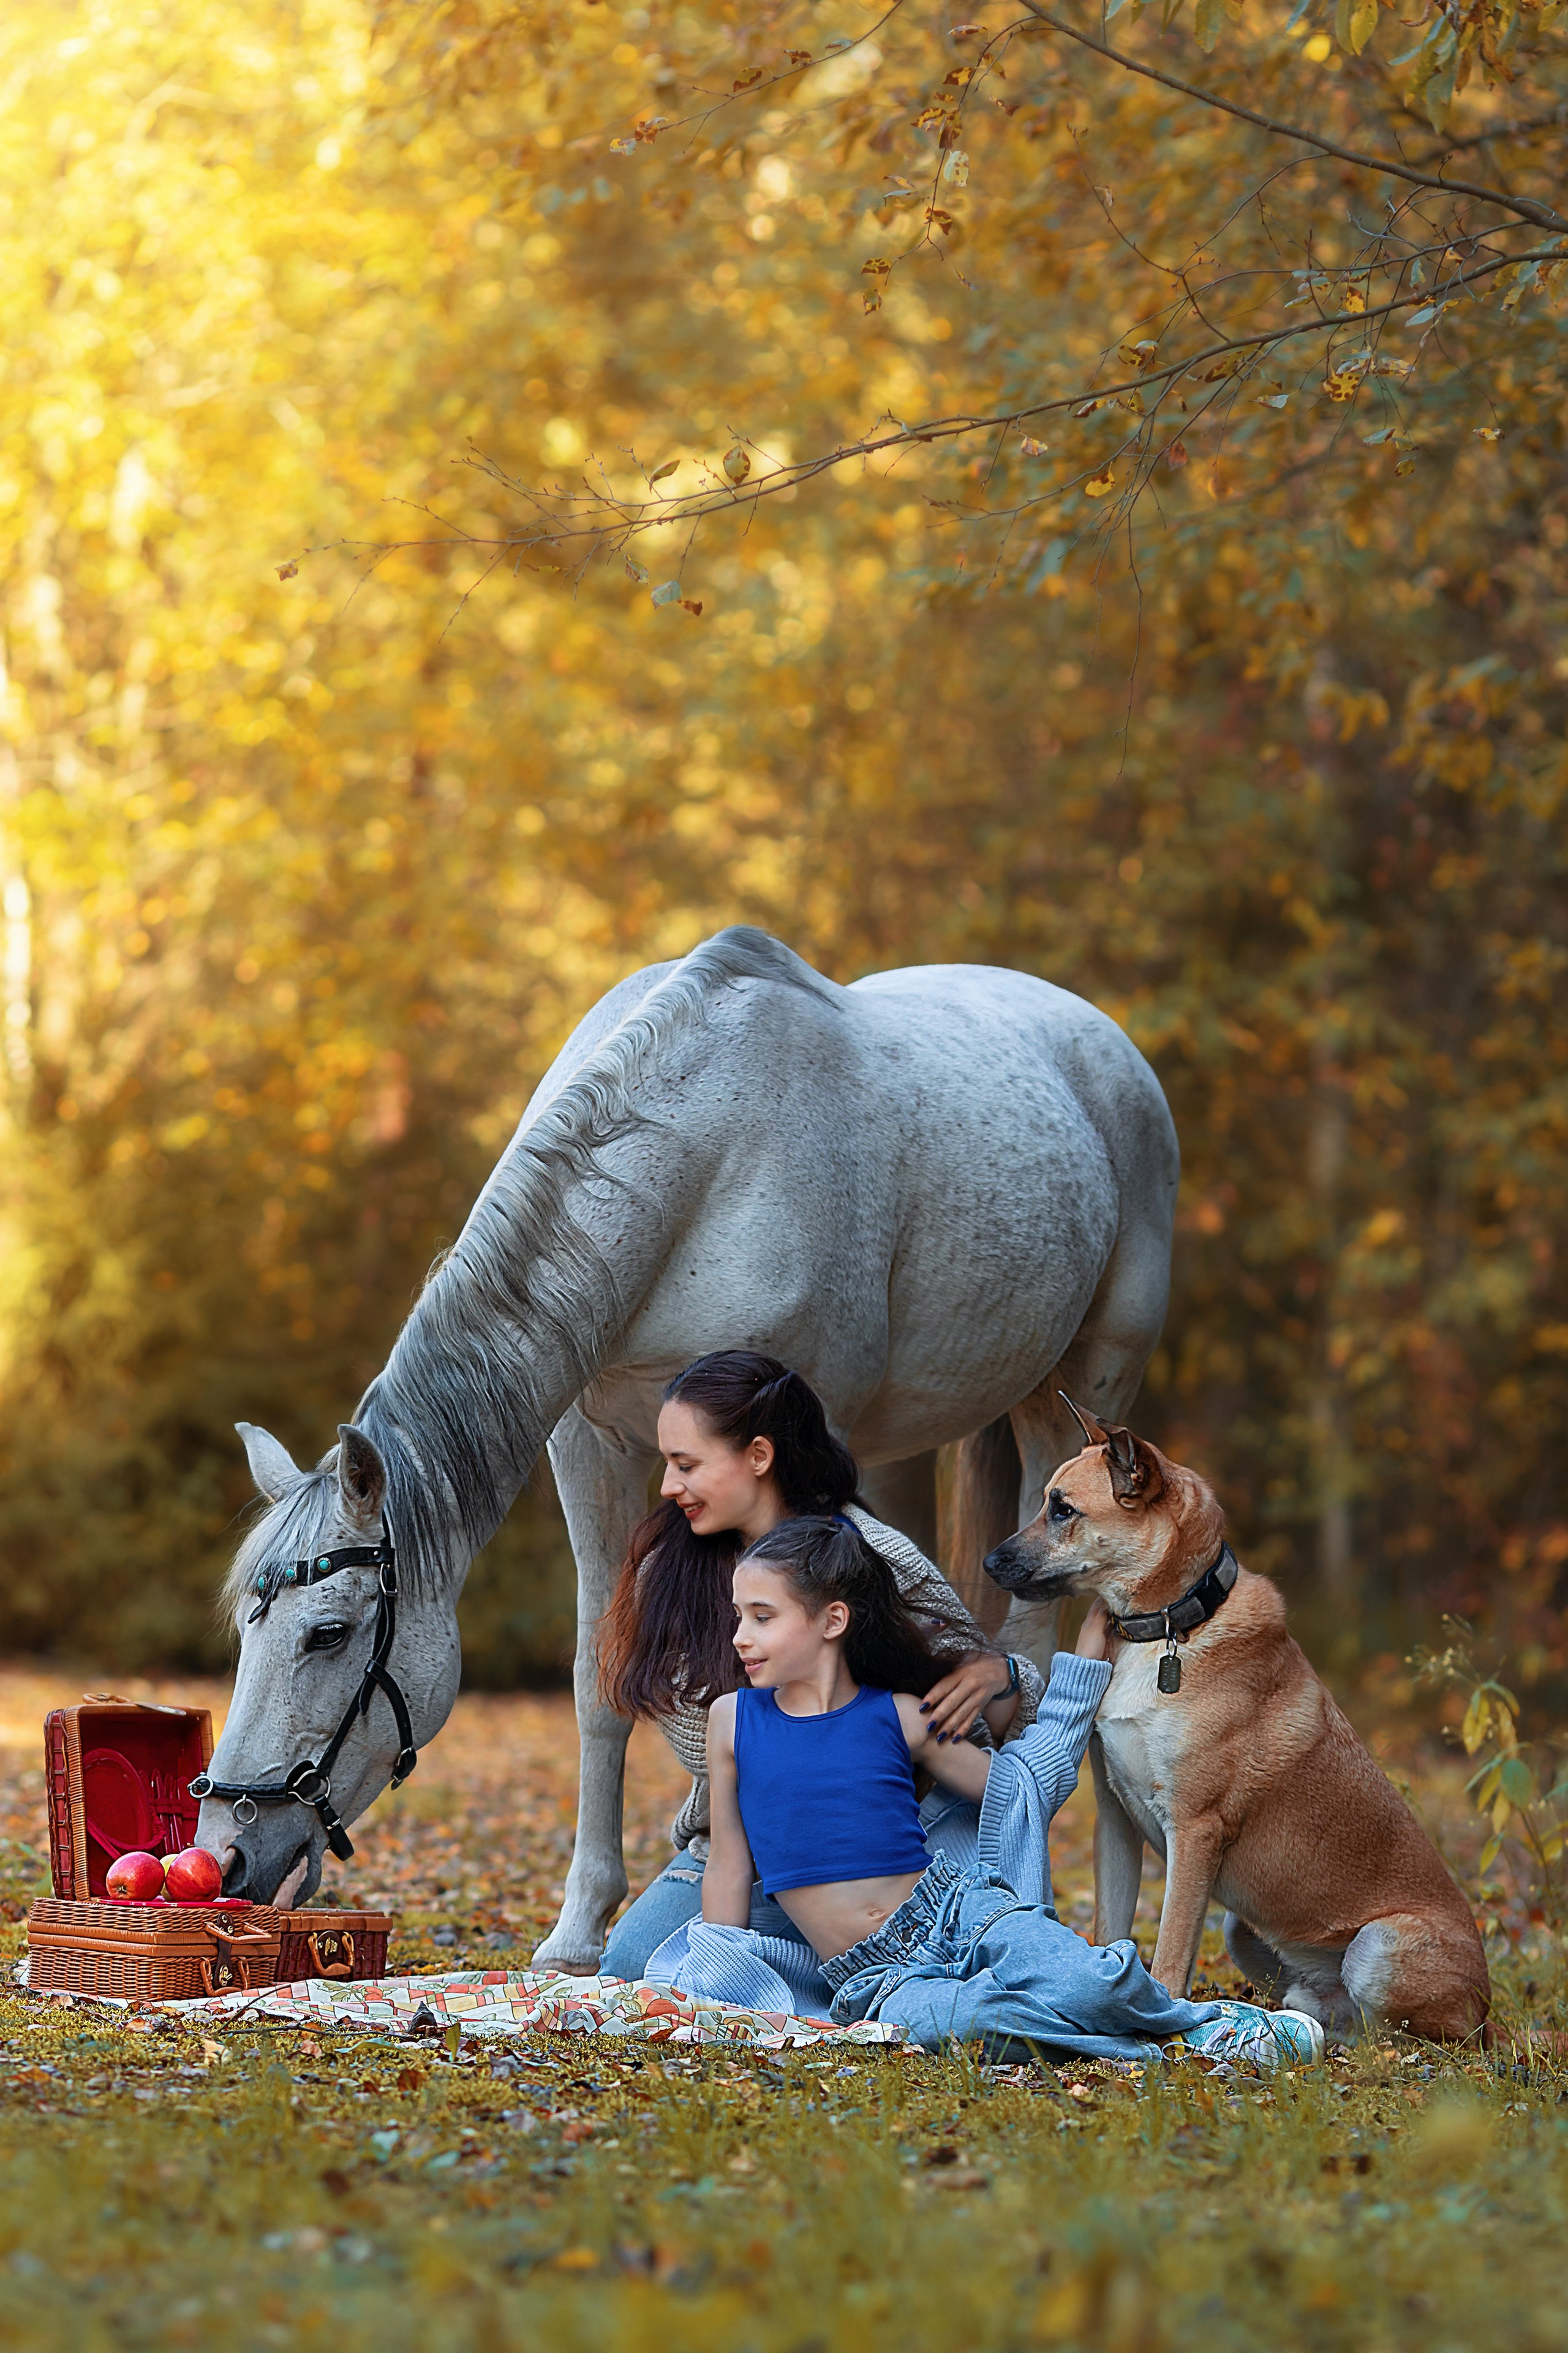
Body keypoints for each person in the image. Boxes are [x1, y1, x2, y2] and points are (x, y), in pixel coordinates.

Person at [650, 1515, 1324, 2067]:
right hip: (877, 1977)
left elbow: (1018, 1787)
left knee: (1085, 1980)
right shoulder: (732, 1720)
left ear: (831, 1621)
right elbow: (731, 1860)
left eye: (761, 1617)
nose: (740, 1636)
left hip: (963, 1913)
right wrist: (720, 1973)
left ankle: (1206, 2025)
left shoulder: (901, 1716)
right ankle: (1176, 2045)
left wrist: (1078, 1676)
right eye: (738, 1616)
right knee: (969, 2025)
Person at [597, 1351, 1046, 1985]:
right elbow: (707, 1752)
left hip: (878, 1831)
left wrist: (998, 1675)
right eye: (668, 1464)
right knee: (627, 1963)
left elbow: (981, 1722)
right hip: (745, 1846)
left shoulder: (873, 1555)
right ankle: (824, 1963)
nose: (668, 1486)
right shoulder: (667, 1578)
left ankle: (861, 1957)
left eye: (686, 1464)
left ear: (758, 1455)